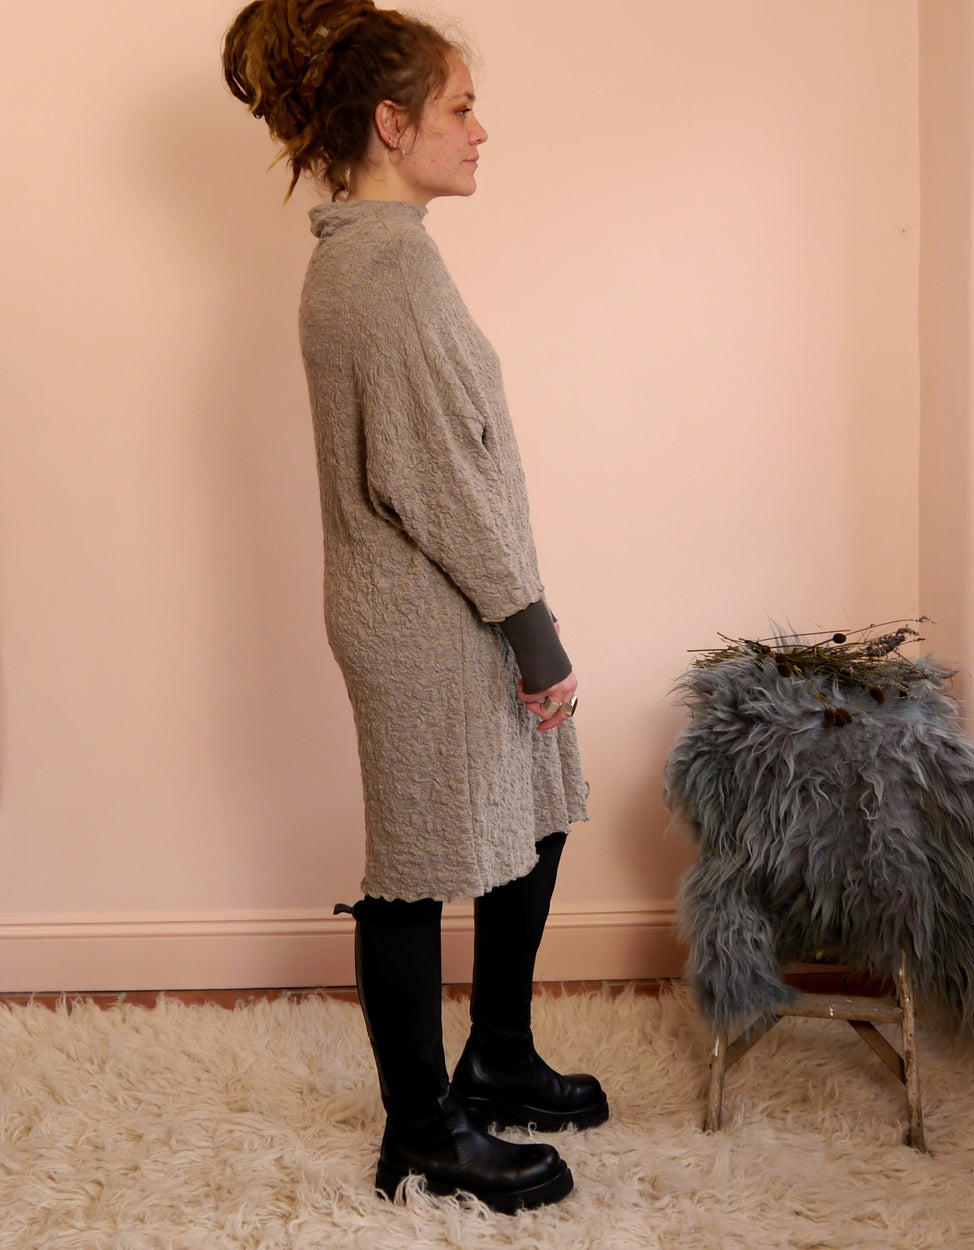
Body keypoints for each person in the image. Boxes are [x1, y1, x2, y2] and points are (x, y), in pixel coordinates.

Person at [222, 0, 606, 1213]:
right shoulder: (378, 271)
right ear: (392, 125)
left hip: (462, 599)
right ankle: (423, 1129)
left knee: (529, 810)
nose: (480, 130)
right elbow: (434, 478)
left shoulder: (384, 252)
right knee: (414, 868)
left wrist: (523, 620)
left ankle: (495, 1051)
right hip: (426, 614)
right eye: (457, 107)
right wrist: (532, 629)